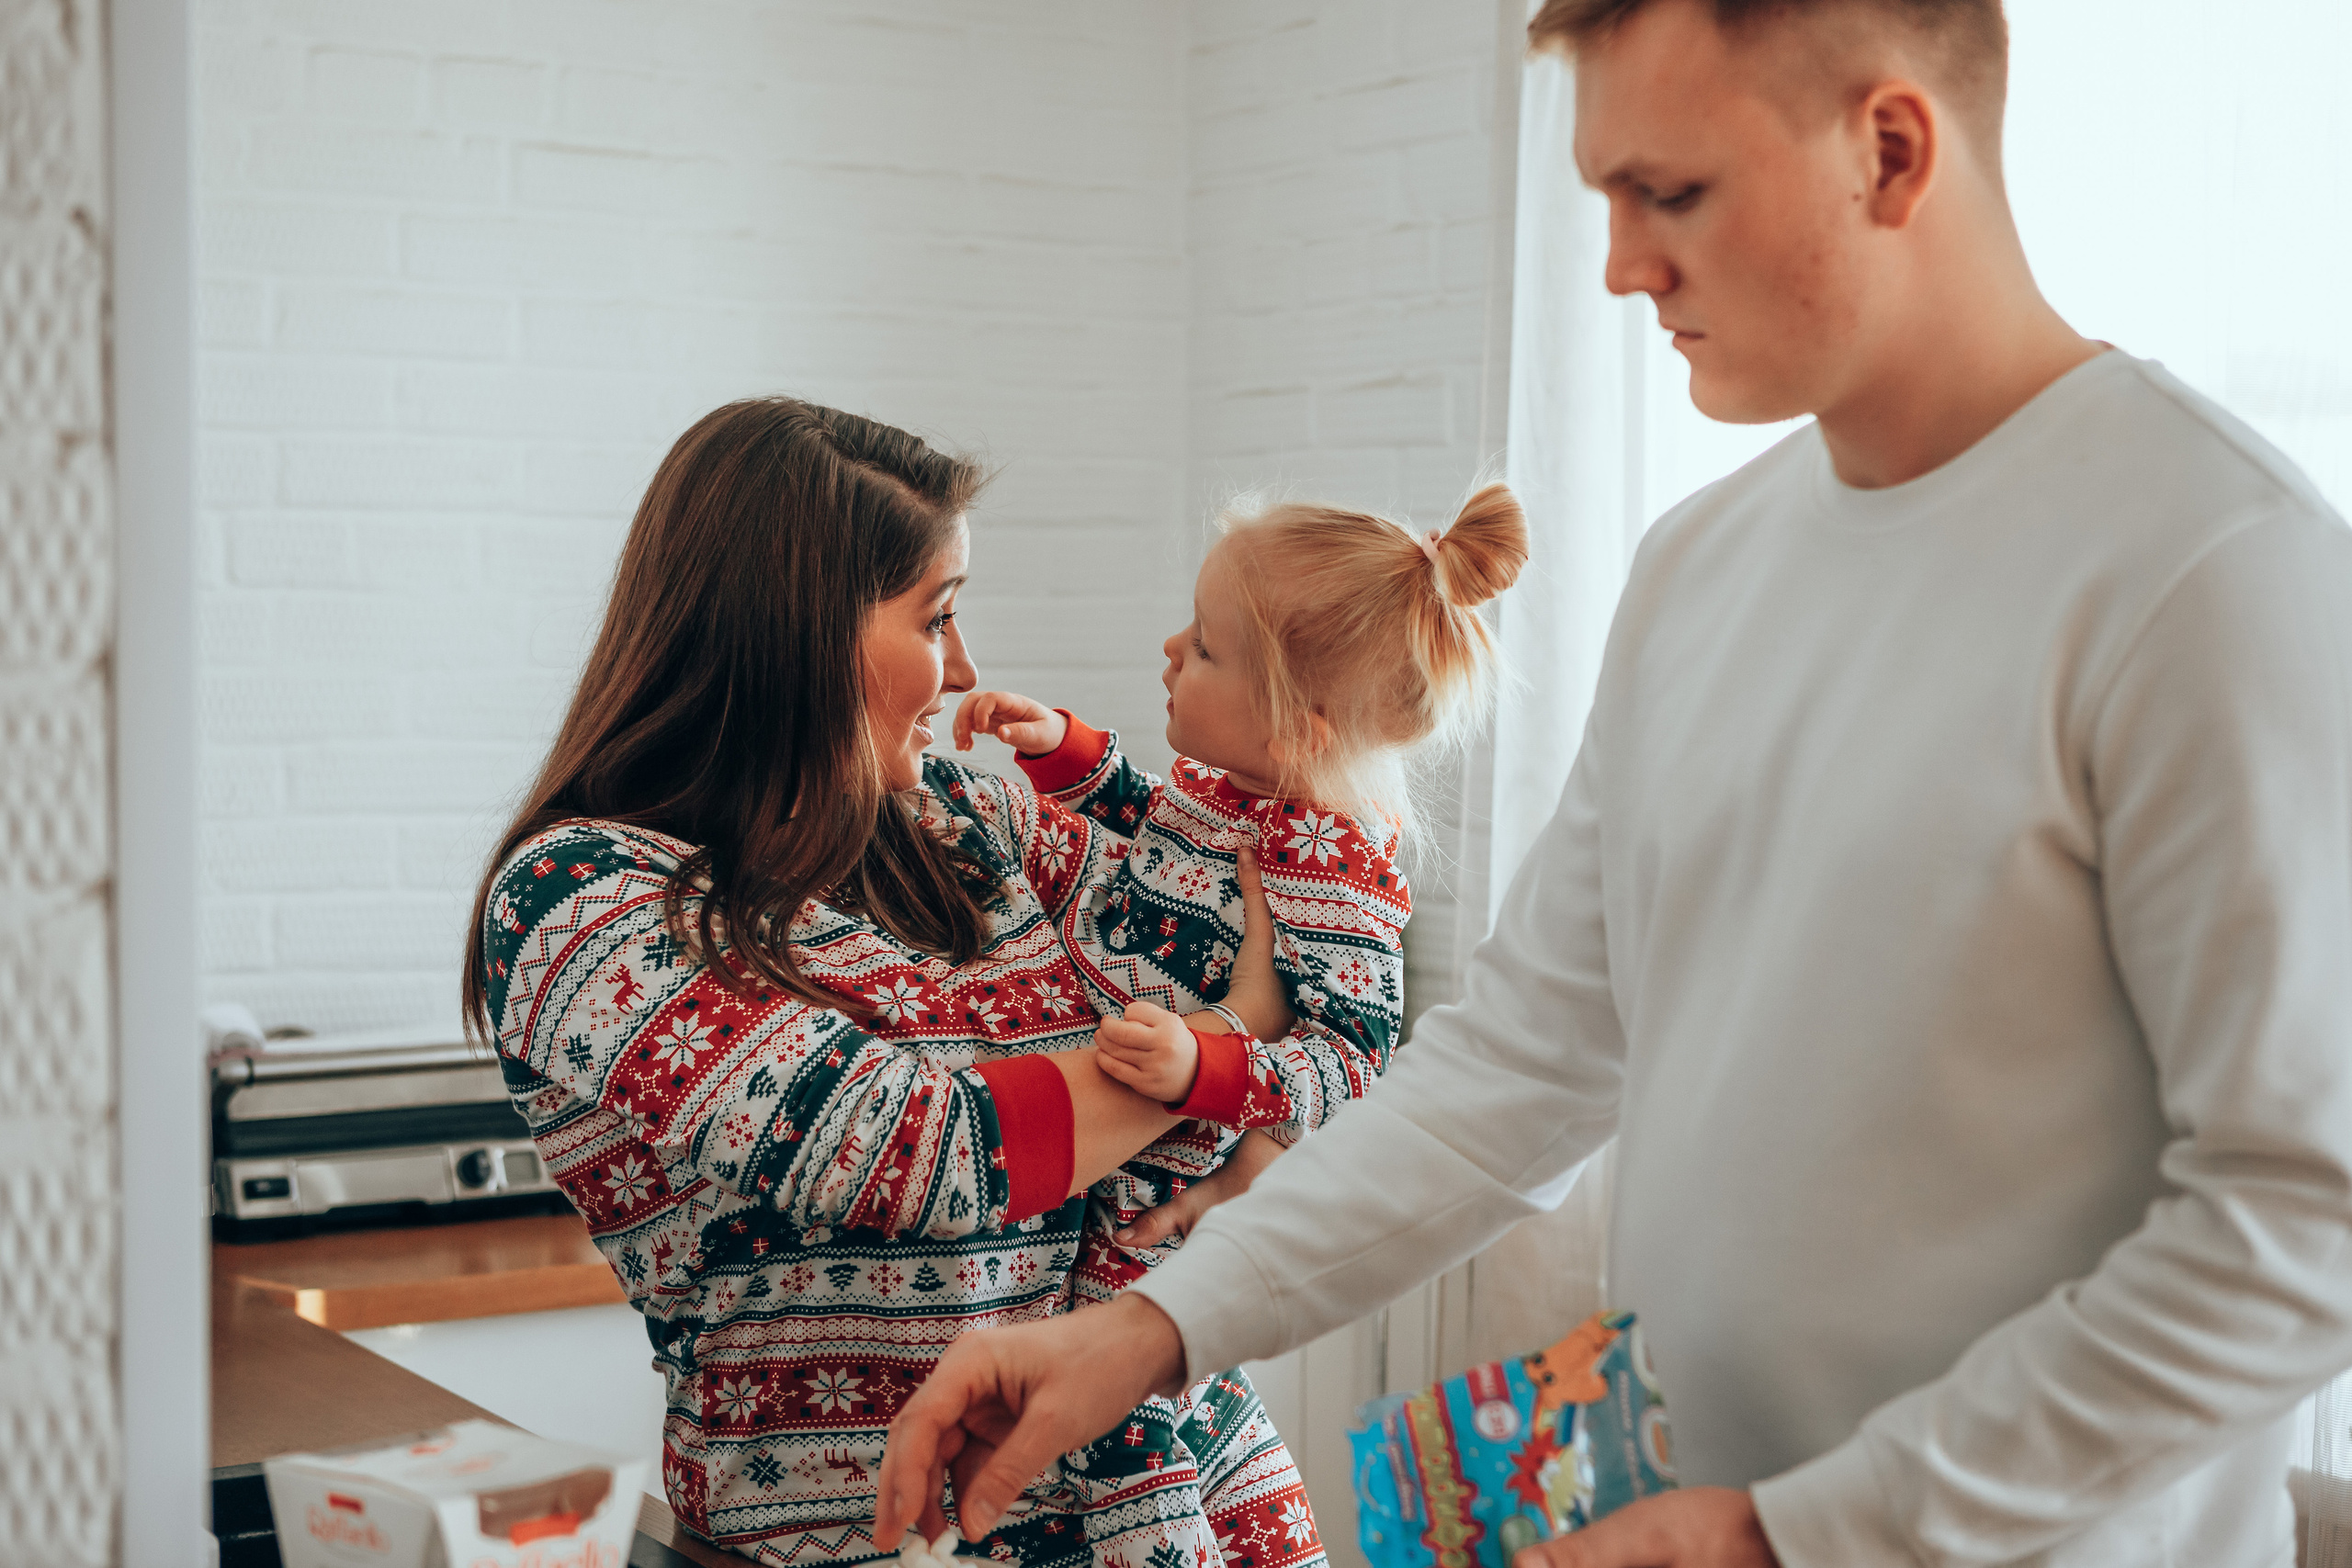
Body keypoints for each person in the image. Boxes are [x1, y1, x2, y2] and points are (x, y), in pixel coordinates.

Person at [873, 2, 2352, 1565]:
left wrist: (1801, 1531)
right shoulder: (1700, 568)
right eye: (1604, 199)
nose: (1620, 268)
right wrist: (1151, 1332)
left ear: (1892, 152)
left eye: (1674, 195)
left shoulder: (2216, 573)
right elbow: (1520, 1068)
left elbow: (2302, 1215)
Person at [460, 398, 1323, 1568]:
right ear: (798, 633)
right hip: (887, 1540)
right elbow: (929, 1156)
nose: (963, 667)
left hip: (1196, 1504)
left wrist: (1254, 1031)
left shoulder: (971, 822)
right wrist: (1237, 1039)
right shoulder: (581, 900)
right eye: (938, 617)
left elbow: (1305, 974)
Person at [953, 483, 1530, 1312]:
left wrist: (1206, 1064)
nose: (1172, 647)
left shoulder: (1335, 869)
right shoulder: (1232, 794)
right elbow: (1156, 821)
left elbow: (1351, 1057)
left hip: (1163, 1161)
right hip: (1092, 1101)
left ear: (1298, 726)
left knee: (1104, 1360)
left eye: (1206, 649)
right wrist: (1061, 746)